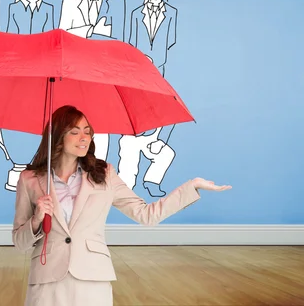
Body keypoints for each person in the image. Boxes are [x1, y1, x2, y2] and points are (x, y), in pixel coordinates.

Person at [12, 105, 231, 305]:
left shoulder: (104, 174)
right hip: (46, 278)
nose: (84, 138)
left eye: (87, 131)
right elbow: (20, 242)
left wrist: (192, 187)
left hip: (92, 277)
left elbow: (146, 214)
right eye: (75, 131)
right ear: (58, 136)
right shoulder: (30, 179)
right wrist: (37, 218)